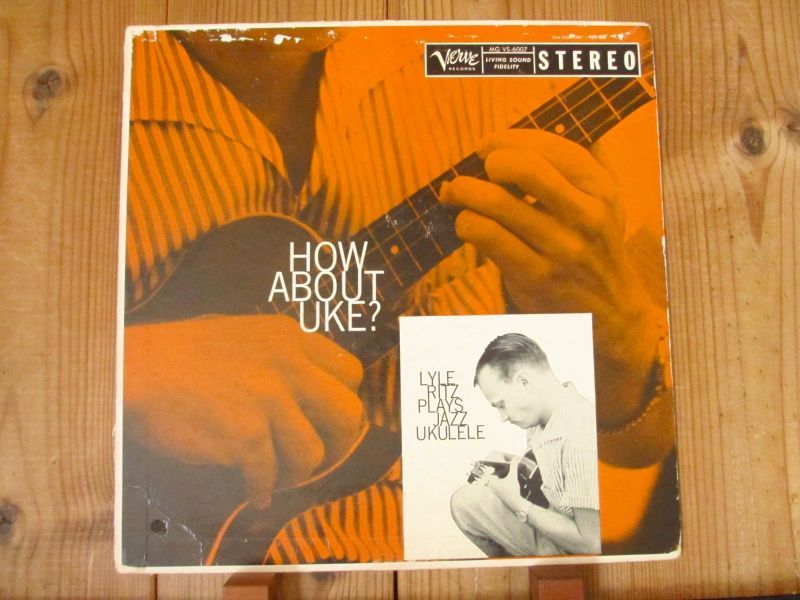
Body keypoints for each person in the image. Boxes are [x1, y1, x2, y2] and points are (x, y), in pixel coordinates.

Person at [122, 25, 675, 565]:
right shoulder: (88, 97)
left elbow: (638, 444)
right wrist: (136, 374)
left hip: (466, 569)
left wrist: (617, 329)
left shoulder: (513, 61)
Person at [451, 333, 600, 557]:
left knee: (465, 502)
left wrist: (515, 502)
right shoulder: (541, 418)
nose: (502, 417)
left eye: (501, 404)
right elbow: (554, 478)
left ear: (524, 382)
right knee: (466, 502)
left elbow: (592, 544)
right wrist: (514, 463)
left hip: (575, 550)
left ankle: (524, 571)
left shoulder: (578, 437)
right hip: (553, 520)